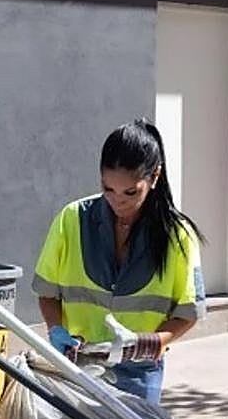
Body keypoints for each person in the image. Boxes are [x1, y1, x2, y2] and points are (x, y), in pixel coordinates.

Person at [32, 119, 205, 403]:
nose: (118, 201)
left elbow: (188, 313)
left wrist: (150, 343)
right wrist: (56, 330)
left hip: (140, 373)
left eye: (130, 192)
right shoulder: (72, 219)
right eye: (108, 188)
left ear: (155, 177)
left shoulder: (178, 235)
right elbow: (48, 293)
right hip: (80, 366)